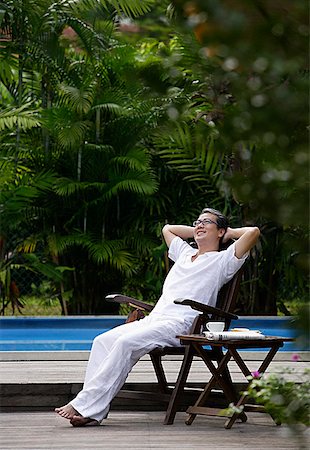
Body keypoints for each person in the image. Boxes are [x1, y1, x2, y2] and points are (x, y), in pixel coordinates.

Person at [55, 207, 260, 426]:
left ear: (220, 231)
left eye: (206, 222)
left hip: (182, 324)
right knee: (102, 341)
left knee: (126, 343)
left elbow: (253, 232)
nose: (199, 225)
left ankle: (82, 405)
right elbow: (168, 229)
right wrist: (200, 229)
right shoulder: (184, 254)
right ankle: (93, 412)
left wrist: (228, 232)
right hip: (156, 319)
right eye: (196, 222)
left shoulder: (223, 261)